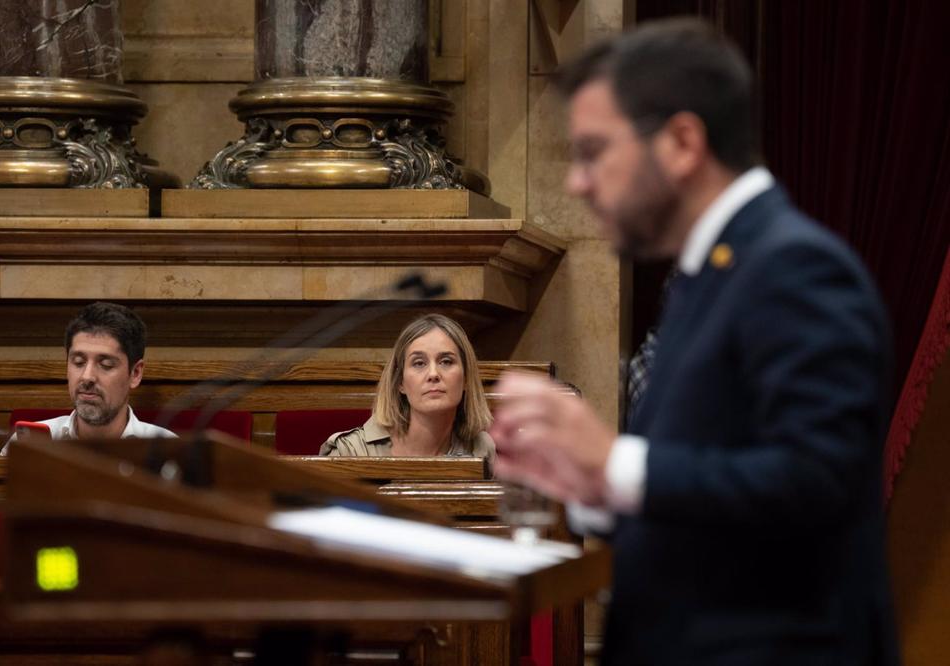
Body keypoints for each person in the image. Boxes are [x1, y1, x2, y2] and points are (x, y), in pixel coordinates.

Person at [489, 19, 898, 666]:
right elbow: (708, 502)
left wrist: (614, 461)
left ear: (682, 142)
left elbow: (815, 483)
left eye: (595, 151)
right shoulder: (706, 277)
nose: (577, 182)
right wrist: (590, 486)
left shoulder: (793, 268)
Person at [320, 314, 495, 464]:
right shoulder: (350, 451)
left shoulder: (481, 448)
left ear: (465, 378)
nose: (433, 374)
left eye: (446, 362)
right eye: (419, 363)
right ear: (400, 383)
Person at [1, 302, 175, 452]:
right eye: (78, 362)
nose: (87, 376)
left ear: (135, 374)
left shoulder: (168, 449)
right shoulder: (26, 444)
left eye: (106, 364)